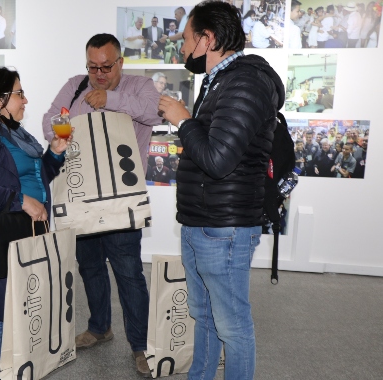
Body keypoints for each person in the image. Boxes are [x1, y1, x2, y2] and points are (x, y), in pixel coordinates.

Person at [156, 2, 285, 378]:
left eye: (185, 39)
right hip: (201, 222)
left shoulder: (246, 81)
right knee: (204, 317)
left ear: (207, 38)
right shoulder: (220, 82)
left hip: (224, 229)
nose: (181, 48)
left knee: (233, 326)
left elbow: (217, 159)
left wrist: (183, 121)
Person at [41, 33, 163, 376]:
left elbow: (152, 113)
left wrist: (109, 98)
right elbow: (50, 120)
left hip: (122, 200)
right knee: (90, 266)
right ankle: (99, 327)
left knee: (128, 273)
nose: (99, 73)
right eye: (93, 67)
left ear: (120, 62)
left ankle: (141, 346)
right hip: (80, 198)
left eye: (106, 67)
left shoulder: (140, 86)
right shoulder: (74, 85)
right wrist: (64, 128)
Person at [0, 67, 68, 380]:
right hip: (0, 242)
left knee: (22, 319)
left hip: (28, 235)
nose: (25, 100)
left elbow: (36, 177)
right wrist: (19, 201)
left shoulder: (16, 132)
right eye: (19, 93)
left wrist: (54, 156)